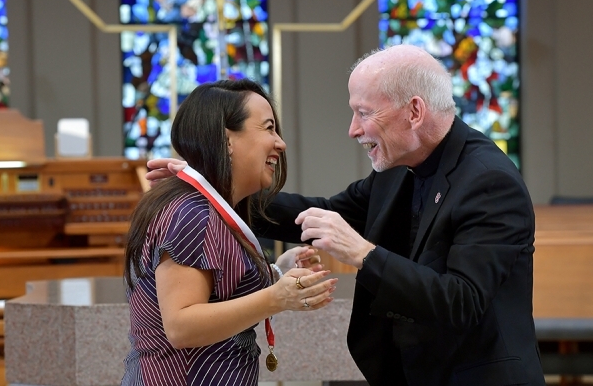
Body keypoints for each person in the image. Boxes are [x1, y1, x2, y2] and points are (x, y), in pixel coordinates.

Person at [146, 45, 545, 386]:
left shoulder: (490, 181)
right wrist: (216, 186)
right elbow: (322, 212)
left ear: (415, 111)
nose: (353, 130)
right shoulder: (396, 168)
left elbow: (462, 301)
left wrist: (363, 254)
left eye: (364, 113)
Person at [122, 79, 337, 386]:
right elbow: (181, 325)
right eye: (268, 128)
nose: (280, 143)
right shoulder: (192, 213)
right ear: (226, 140)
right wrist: (277, 298)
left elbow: (217, 291)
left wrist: (277, 272)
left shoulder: (210, 208)